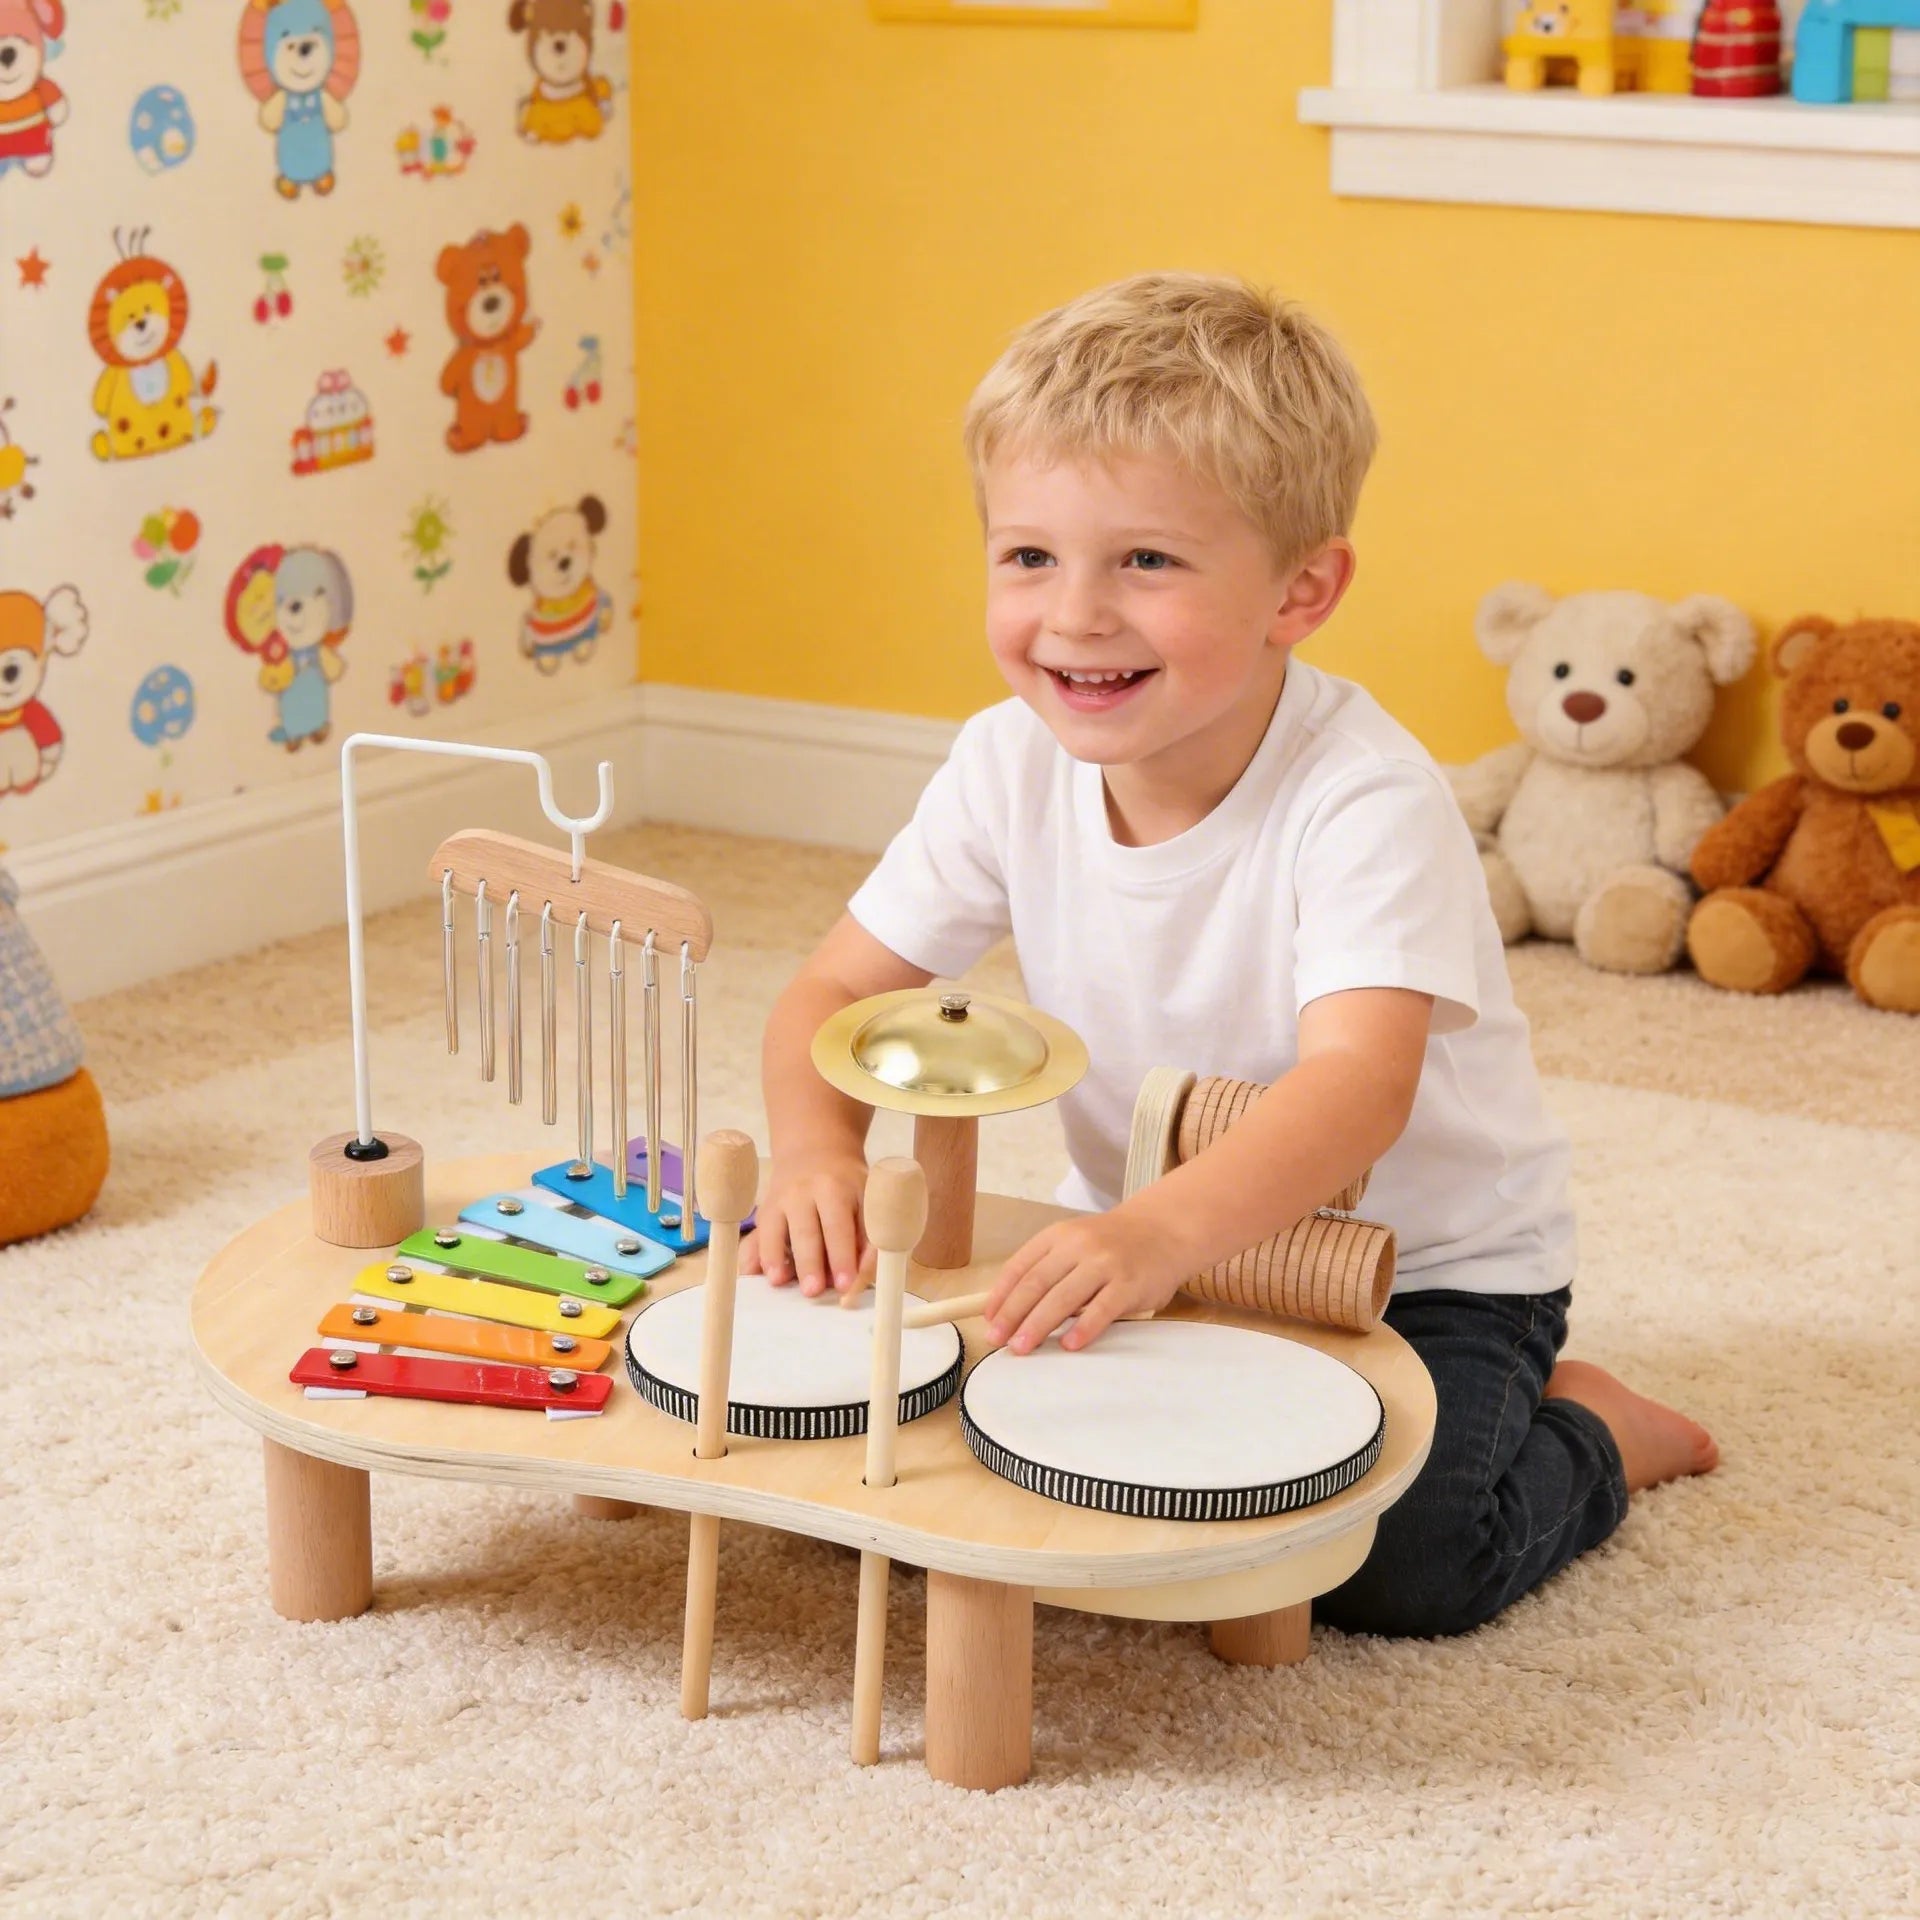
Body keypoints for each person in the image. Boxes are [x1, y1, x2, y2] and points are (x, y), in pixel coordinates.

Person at [740, 272, 1717, 1636]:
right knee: (956, 1476)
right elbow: (834, 990)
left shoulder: (1364, 795)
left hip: (1423, 1267)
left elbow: (1355, 1090)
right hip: (1156, 1244)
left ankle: (1598, 1431)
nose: (1074, 614)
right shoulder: (1004, 763)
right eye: (1029, 557)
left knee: (1394, 1572)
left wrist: (1151, 1233)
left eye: (1145, 561)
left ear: (1300, 591)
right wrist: (816, 1152)